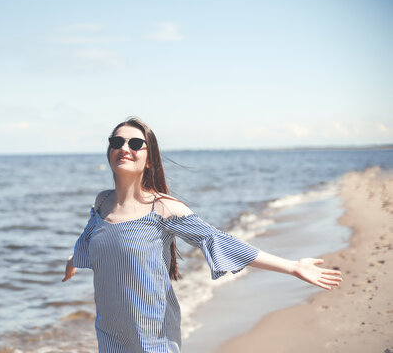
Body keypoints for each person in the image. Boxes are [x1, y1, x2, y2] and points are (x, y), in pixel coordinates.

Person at [62, 117, 342, 352]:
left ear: (149, 159)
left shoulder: (162, 208)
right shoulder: (102, 202)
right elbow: (92, 233)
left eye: (135, 143)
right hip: (109, 334)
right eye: (117, 142)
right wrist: (76, 258)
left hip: (151, 335)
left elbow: (218, 240)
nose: (124, 147)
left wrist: (293, 267)